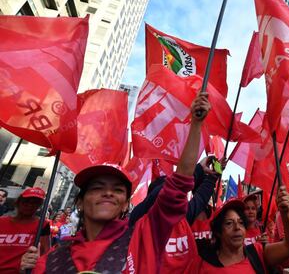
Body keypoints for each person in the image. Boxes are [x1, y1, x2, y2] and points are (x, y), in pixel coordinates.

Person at [20, 90, 210, 273]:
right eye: (97, 187)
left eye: (118, 190)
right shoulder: (49, 262)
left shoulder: (144, 238)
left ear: (126, 204)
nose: (108, 193)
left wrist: (196, 124)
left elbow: (178, 186)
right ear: (80, 202)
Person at [185, 185, 289, 273]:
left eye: (241, 223)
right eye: (229, 223)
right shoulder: (200, 264)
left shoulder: (257, 253)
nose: (237, 228)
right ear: (218, 232)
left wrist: (285, 213)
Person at [0, 187, 51, 274]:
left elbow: (45, 253)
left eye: (35, 203)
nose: (30, 205)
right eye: (26, 201)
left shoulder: (43, 225)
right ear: (18, 202)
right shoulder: (2, 221)